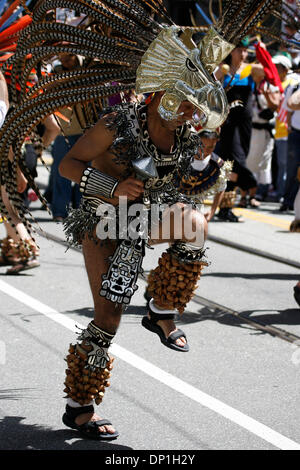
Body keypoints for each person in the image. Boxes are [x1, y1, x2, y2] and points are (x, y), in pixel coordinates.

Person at [0, 0, 287, 442]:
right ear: (167, 97)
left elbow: (191, 182)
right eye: (189, 109)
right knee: (108, 320)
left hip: (145, 217)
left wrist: (210, 168)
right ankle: (79, 406)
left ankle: (161, 309)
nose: (193, 120)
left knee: (193, 226)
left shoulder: (184, 134)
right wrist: (113, 188)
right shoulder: (118, 122)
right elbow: (69, 166)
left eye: (198, 115)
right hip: (105, 222)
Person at [215, 39, 262, 221]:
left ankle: (225, 208)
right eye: (239, 50)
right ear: (231, 51)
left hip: (244, 123)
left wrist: (261, 50)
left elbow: (271, 73)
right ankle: (250, 183)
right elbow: (209, 85)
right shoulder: (223, 68)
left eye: (245, 51)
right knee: (235, 159)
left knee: (231, 166)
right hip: (227, 122)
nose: (242, 54)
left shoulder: (251, 69)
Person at [245, 44, 282, 203]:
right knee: (249, 161)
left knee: (261, 164)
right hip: (251, 129)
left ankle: (254, 195)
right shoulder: (248, 85)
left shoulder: (269, 86)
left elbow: (276, 105)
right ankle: (244, 194)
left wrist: (267, 96)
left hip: (265, 130)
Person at [174, 129, 232, 221]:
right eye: (201, 146)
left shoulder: (218, 166)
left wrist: (212, 211)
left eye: (210, 147)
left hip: (196, 210)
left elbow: (221, 189)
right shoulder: (177, 156)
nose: (204, 151)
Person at [273, 54, 297, 202]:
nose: (274, 69)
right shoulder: (276, 83)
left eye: (277, 67)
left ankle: (284, 195)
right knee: (281, 165)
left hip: (288, 130)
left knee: (287, 166)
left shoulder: (291, 84)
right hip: (278, 130)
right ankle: (281, 192)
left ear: (285, 69)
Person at [280, 75, 300, 212]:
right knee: (292, 169)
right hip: (297, 133)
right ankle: (288, 201)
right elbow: (290, 105)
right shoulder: (295, 86)